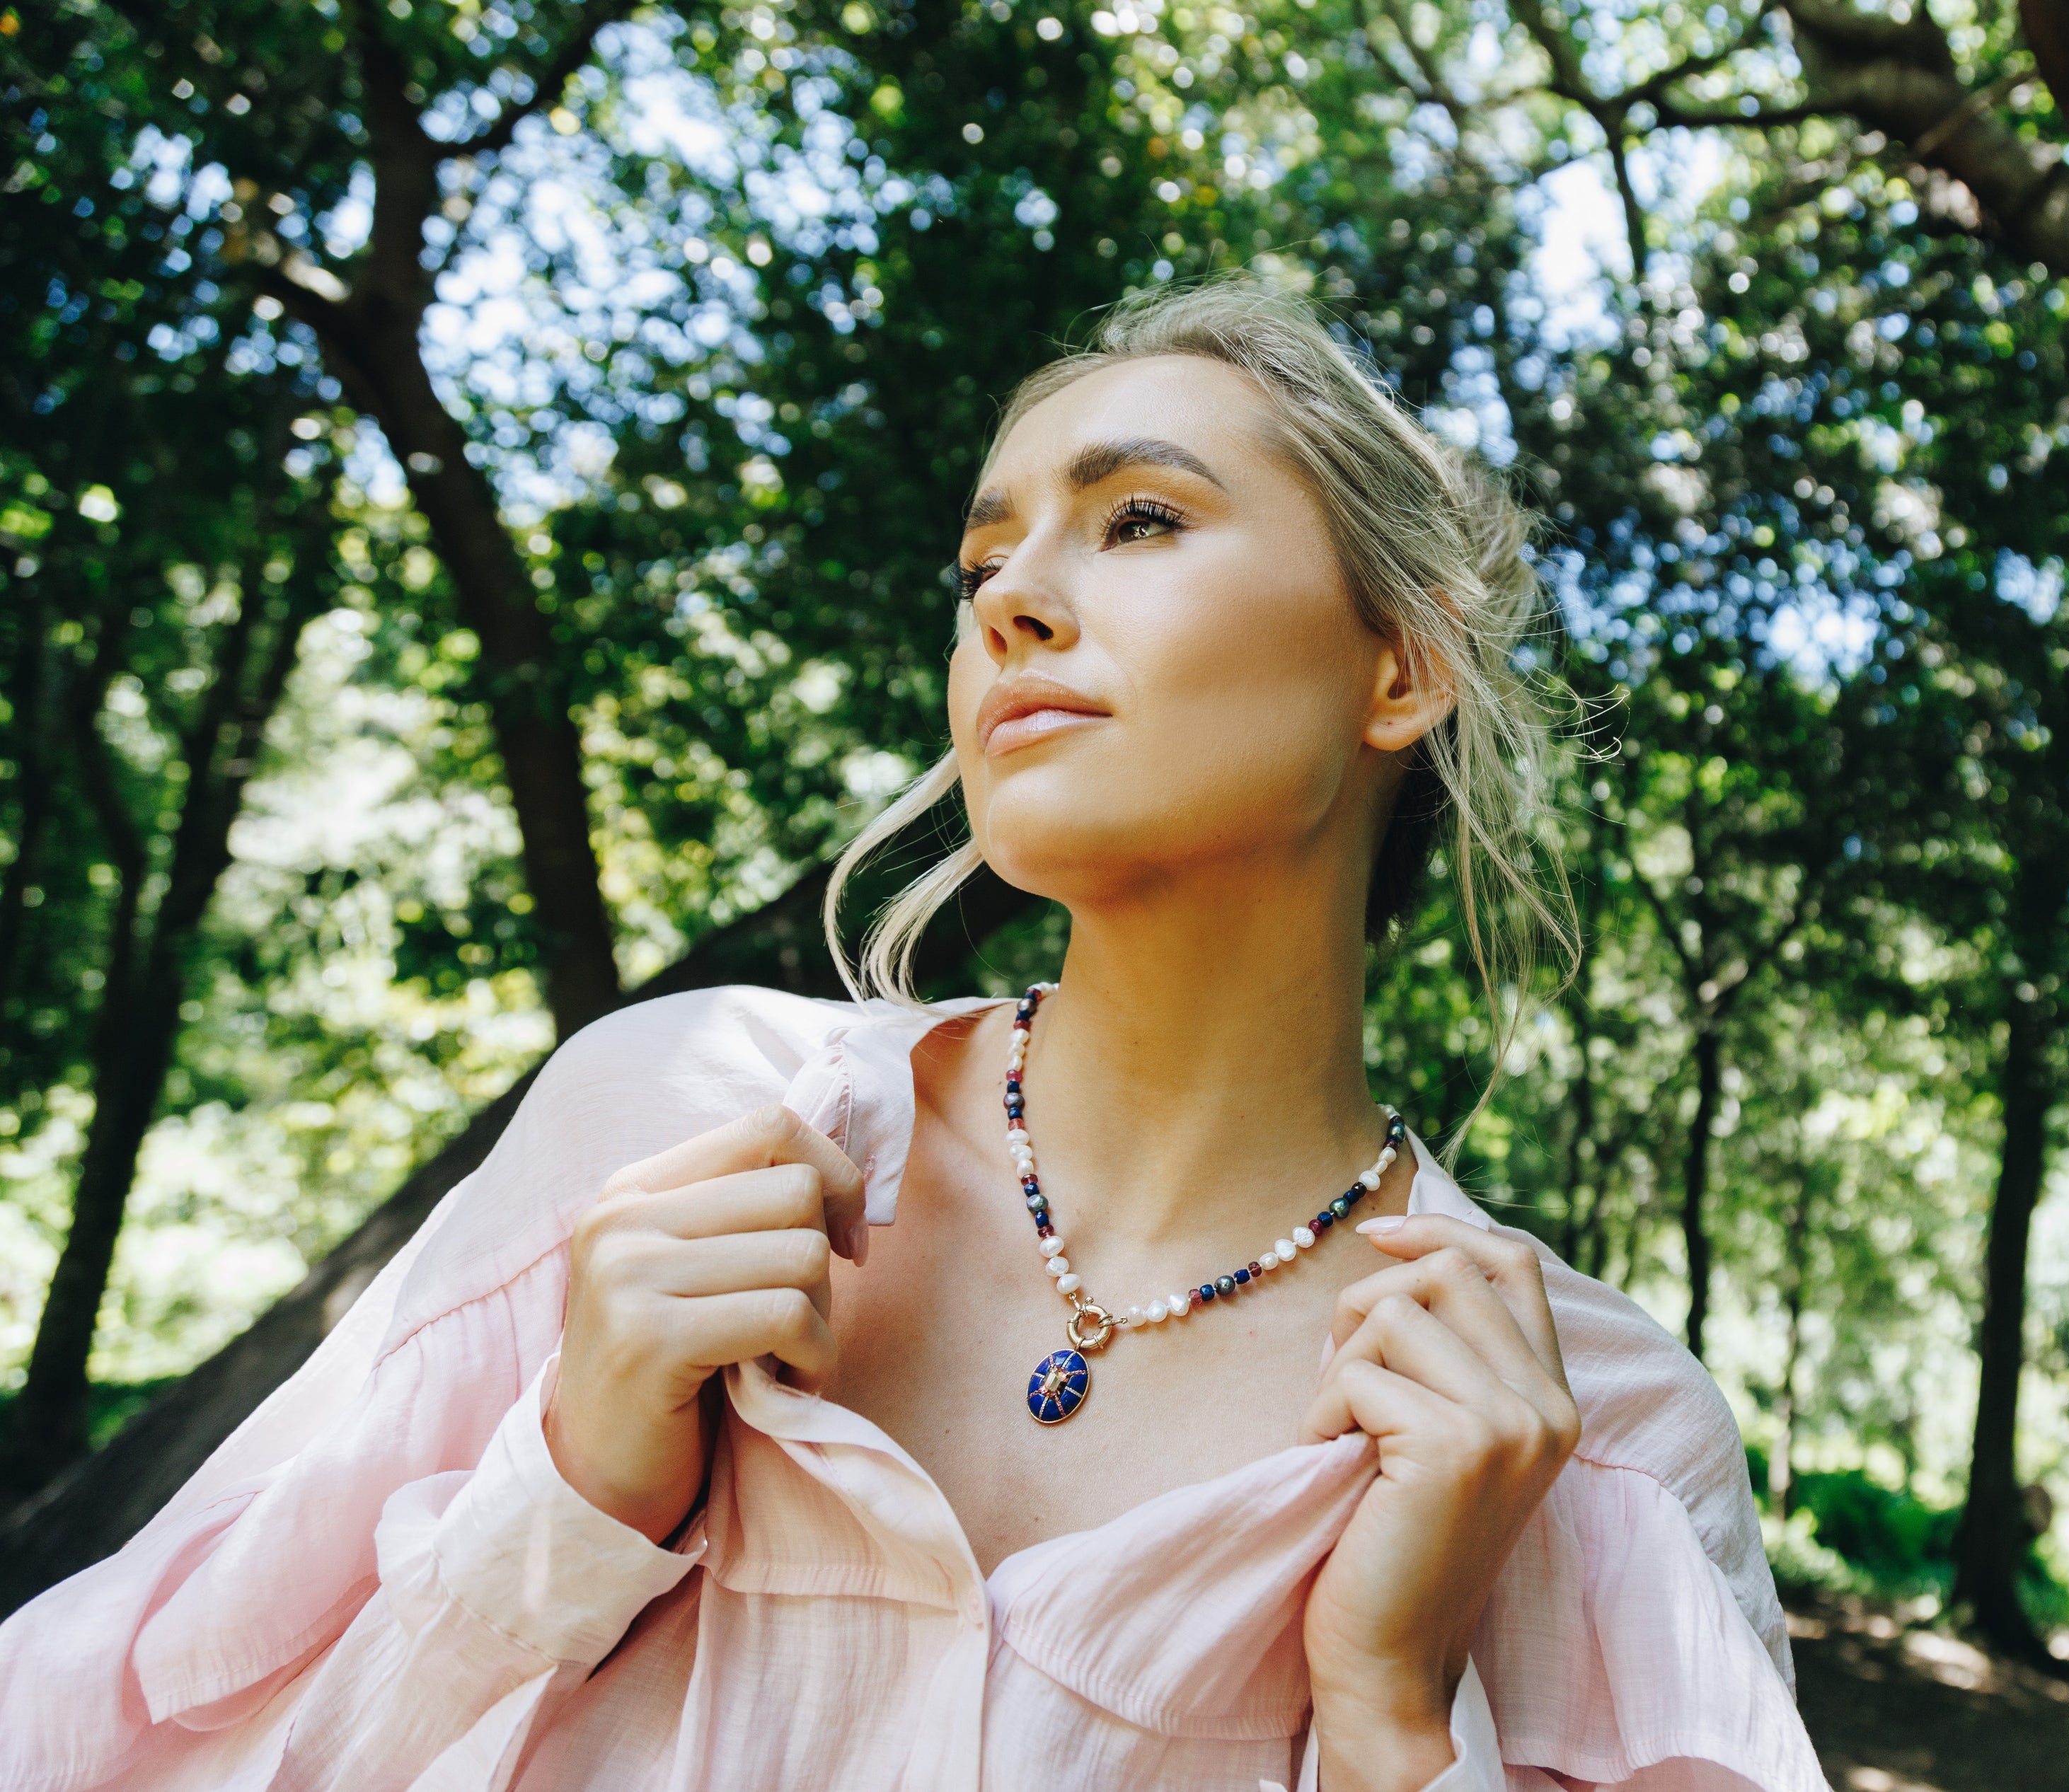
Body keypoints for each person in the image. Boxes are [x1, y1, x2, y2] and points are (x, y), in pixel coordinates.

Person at [0, 282, 1826, 1791]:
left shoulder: (1597, 1459)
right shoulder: (670, 1132)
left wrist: (1394, 1721)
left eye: (1142, 519)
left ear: (1399, 667)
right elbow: (172, 1746)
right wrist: (573, 1492)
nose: (1011, 599)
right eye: (984, 561)